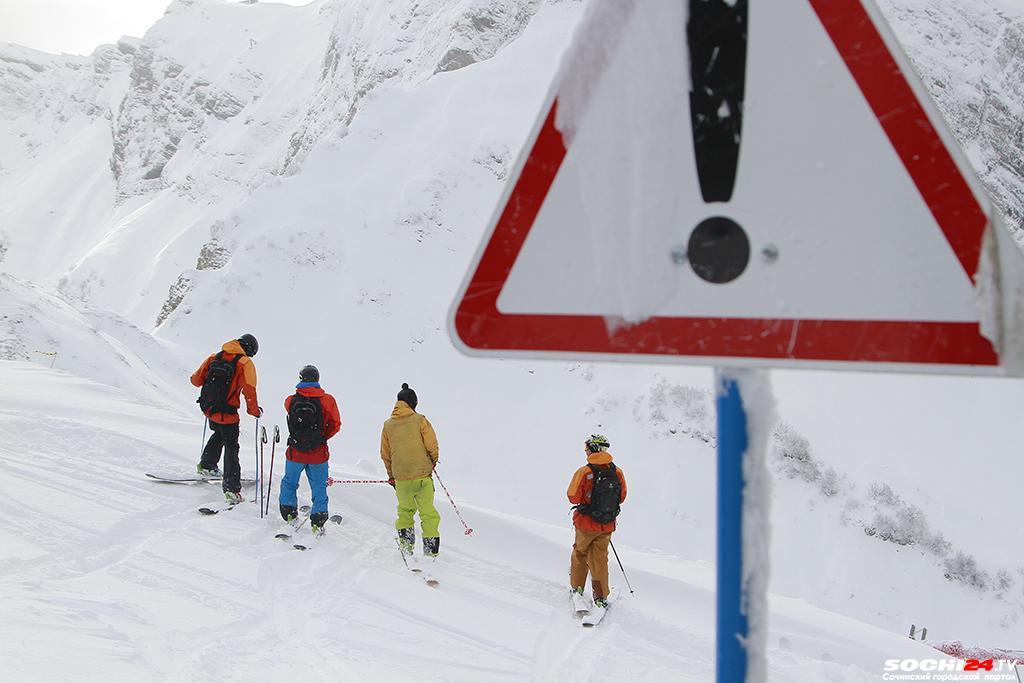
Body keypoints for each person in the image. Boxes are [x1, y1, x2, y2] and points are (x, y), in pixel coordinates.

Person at [191, 334, 262, 504]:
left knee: (219, 434)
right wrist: (254, 411)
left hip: (209, 408)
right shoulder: (244, 363)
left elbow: (195, 381)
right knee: (232, 446)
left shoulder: (214, 357)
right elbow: (249, 390)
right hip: (227, 411)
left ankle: (207, 465)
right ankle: (231, 489)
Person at [279, 365, 342, 534]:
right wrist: (321, 438)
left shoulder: (290, 400)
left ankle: (289, 514)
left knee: (290, 483)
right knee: (319, 487)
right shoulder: (327, 400)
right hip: (318, 454)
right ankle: (317, 522)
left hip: (295, 452)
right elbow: (336, 424)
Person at [567, 434, 627, 610]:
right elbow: (622, 497)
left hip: (585, 524)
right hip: (607, 524)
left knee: (580, 553)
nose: (585, 453)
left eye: (586, 449)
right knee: (600, 558)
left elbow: (573, 496)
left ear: (593, 449)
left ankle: (577, 588)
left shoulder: (585, 471)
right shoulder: (617, 472)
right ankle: (600, 597)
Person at [380, 383, 441, 558]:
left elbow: (385, 454)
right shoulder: (420, 420)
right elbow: (432, 445)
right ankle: (430, 552)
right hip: (422, 475)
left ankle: (406, 547)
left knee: (405, 512)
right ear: (413, 403)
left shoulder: (388, 425)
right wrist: (432, 462)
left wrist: (391, 476)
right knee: (428, 513)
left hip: (401, 478)